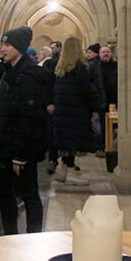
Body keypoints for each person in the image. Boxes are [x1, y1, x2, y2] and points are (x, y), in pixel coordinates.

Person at [0, 26, 49, 234]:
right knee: (6, 195)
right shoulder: (10, 71)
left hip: (20, 150)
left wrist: (20, 155)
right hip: (6, 145)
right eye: (3, 44)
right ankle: (10, 237)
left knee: (28, 194)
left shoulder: (29, 76)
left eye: (8, 45)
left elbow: (27, 117)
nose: (3, 48)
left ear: (20, 47)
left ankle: (33, 238)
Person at [47, 37, 105, 179]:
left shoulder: (58, 69)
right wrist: (95, 108)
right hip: (76, 113)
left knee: (65, 143)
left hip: (61, 113)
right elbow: (87, 92)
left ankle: (64, 170)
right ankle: (70, 172)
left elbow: (51, 90)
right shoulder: (81, 69)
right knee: (73, 143)